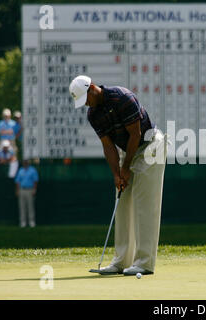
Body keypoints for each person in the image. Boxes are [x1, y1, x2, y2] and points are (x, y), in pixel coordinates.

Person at [69, 75, 167, 276]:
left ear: (92, 88)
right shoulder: (93, 114)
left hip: (150, 146)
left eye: (86, 98)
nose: (86, 103)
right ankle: (121, 261)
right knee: (122, 202)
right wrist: (117, 174)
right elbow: (108, 146)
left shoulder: (122, 97)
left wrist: (126, 168)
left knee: (144, 204)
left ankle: (145, 262)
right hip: (128, 151)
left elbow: (136, 134)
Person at [15, 160, 39, 228]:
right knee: (22, 206)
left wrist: (34, 189)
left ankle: (31, 221)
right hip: (22, 189)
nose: (25, 163)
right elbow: (17, 181)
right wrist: (17, 190)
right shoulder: (20, 170)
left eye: (26, 162)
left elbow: (35, 180)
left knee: (30, 206)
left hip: (29, 189)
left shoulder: (32, 170)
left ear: (28, 163)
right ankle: (23, 222)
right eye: (24, 162)